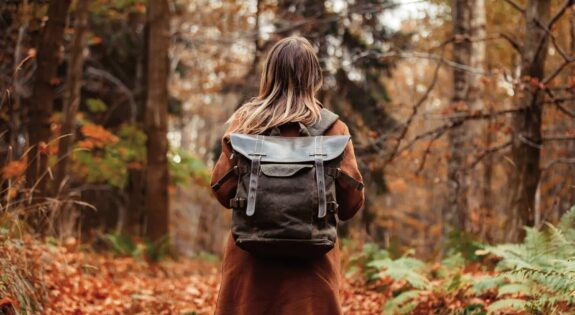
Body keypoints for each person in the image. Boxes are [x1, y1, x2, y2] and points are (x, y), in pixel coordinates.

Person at [210, 36, 364, 315]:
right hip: (312, 266)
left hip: (250, 260)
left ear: (269, 75)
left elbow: (222, 191)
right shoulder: (334, 128)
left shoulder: (244, 123)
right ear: (313, 77)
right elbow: (351, 204)